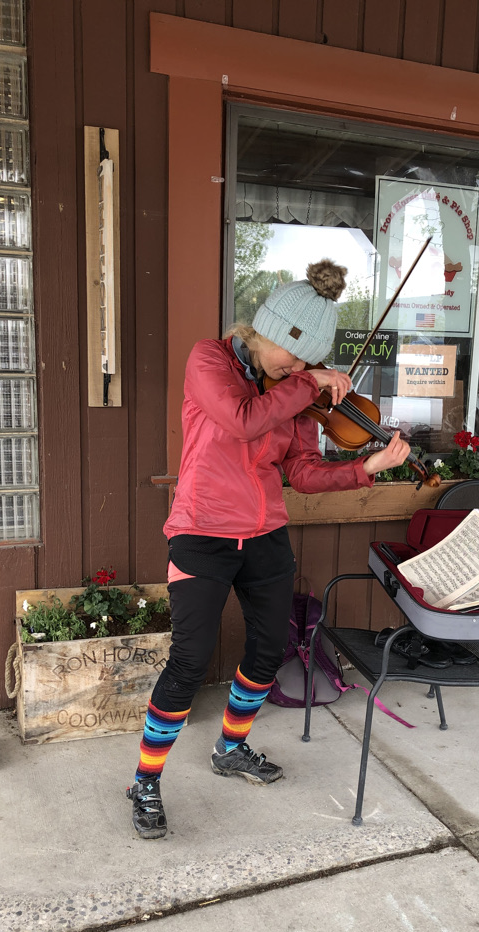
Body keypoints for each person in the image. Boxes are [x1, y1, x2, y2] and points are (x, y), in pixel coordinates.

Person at [126, 258, 411, 838]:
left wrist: (367, 466)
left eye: (308, 361)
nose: (298, 367)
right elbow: (241, 420)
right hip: (202, 532)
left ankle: (232, 748)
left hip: (265, 538)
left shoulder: (296, 394)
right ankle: (146, 780)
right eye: (292, 354)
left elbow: (303, 474)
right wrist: (309, 384)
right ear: (263, 331)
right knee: (188, 659)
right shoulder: (209, 360)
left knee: (263, 654)